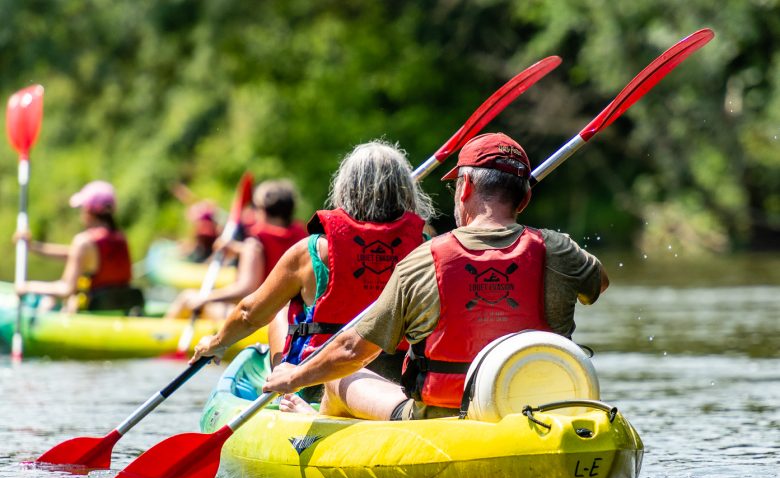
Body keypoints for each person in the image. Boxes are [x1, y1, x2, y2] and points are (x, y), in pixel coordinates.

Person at [194, 132, 610, 421]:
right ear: (527, 196)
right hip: (542, 403)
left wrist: (293, 376)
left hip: (439, 407)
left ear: (463, 190)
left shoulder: (425, 259)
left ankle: (311, 415)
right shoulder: (558, 250)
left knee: (338, 372)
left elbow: (351, 351)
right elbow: (598, 284)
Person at [190, 140, 436, 400]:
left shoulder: (312, 251)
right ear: (406, 192)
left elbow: (250, 313)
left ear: (346, 190)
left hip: (316, 382)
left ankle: (285, 388)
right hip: (399, 384)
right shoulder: (425, 250)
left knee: (281, 309)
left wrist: (216, 342)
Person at [165, 179, 308, 320]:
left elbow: (246, 289)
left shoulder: (254, 243)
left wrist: (206, 297)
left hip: (258, 318)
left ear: (261, 210)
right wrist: (239, 249)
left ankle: (162, 337)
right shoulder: (301, 236)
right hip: (292, 314)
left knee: (187, 297)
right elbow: (274, 254)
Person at [14, 180, 143, 314]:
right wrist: (34, 247)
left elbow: (66, 289)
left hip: (92, 311)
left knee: (49, 301)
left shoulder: (84, 242)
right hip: (120, 308)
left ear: (89, 211)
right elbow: (73, 255)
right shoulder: (120, 238)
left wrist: (27, 287)